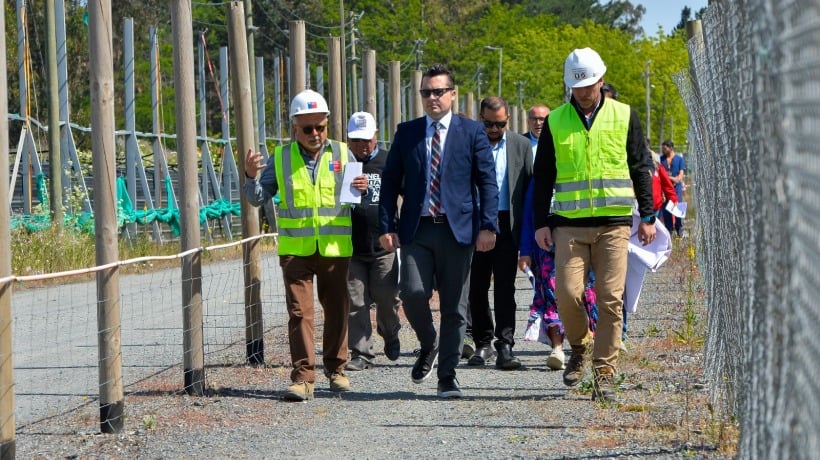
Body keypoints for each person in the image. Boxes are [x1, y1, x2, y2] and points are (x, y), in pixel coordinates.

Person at [532, 48, 656, 402]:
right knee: (567, 294)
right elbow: (543, 176)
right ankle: (579, 346)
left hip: (613, 224)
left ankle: (604, 373)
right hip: (569, 225)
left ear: (601, 80)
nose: (584, 92)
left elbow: (640, 166)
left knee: (610, 298)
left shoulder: (624, 115)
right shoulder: (556, 120)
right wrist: (541, 223)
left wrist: (648, 216)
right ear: (569, 86)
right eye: (577, 87)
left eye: (589, 85)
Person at [379, 64, 499, 399]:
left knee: (454, 307)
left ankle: (447, 375)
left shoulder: (471, 132)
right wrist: (387, 226)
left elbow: (487, 182)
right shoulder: (407, 132)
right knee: (412, 292)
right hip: (417, 230)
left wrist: (488, 226)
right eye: (426, 92)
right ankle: (429, 341)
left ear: (452, 94)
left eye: (439, 91)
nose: (432, 97)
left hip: (457, 232)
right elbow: (390, 183)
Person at [243, 89, 368, 402]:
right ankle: (303, 377)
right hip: (295, 250)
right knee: (300, 313)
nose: (315, 134)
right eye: (308, 128)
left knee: (337, 310)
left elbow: (357, 200)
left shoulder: (343, 154)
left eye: (320, 127)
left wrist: (362, 188)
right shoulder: (281, 158)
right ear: (295, 128)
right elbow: (258, 198)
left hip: (334, 249)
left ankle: (336, 370)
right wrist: (250, 177)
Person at [467, 96, 532, 369]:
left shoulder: (520, 145)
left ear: (508, 120)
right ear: (480, 118)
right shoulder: (469, 142)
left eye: (500, 124)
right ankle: (483, 343)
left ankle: (505, 344)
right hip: (475, 222)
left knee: (505, 287)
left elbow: (528, 188)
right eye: (489, 124)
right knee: (476, 286)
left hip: (508, 223)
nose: (494, 129)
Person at [344, 112, 402, 372]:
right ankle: (361, 353)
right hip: (350, 246)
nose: (362, 146)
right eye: (356, 140)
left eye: (367, 139)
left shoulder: (389, 161)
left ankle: (390, 332)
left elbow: (407, 192)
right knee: (355, 302)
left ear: (376, 136)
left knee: (386, 297)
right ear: (348, 140)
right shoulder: (340, 163)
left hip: (383, 246)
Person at [519, 179, 598, 371]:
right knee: (553, 297)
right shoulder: (540, 179)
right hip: (546, 249)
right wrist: (525, 251)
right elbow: (529, 215)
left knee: (589, 296)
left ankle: (592, 344)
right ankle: (557, 348)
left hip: (582, 244)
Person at [659, 140, 686, 237]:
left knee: (678, 208)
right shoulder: (661, 159)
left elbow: (680, 176)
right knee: (666, 209)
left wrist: (673, 178)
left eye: (665, 149)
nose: (663, 150)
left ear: (671, 148)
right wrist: (671, 178)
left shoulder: (679, 159)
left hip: (676, 188)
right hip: (665, 188)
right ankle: (669, 231)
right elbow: (660, 173)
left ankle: (679, 229)